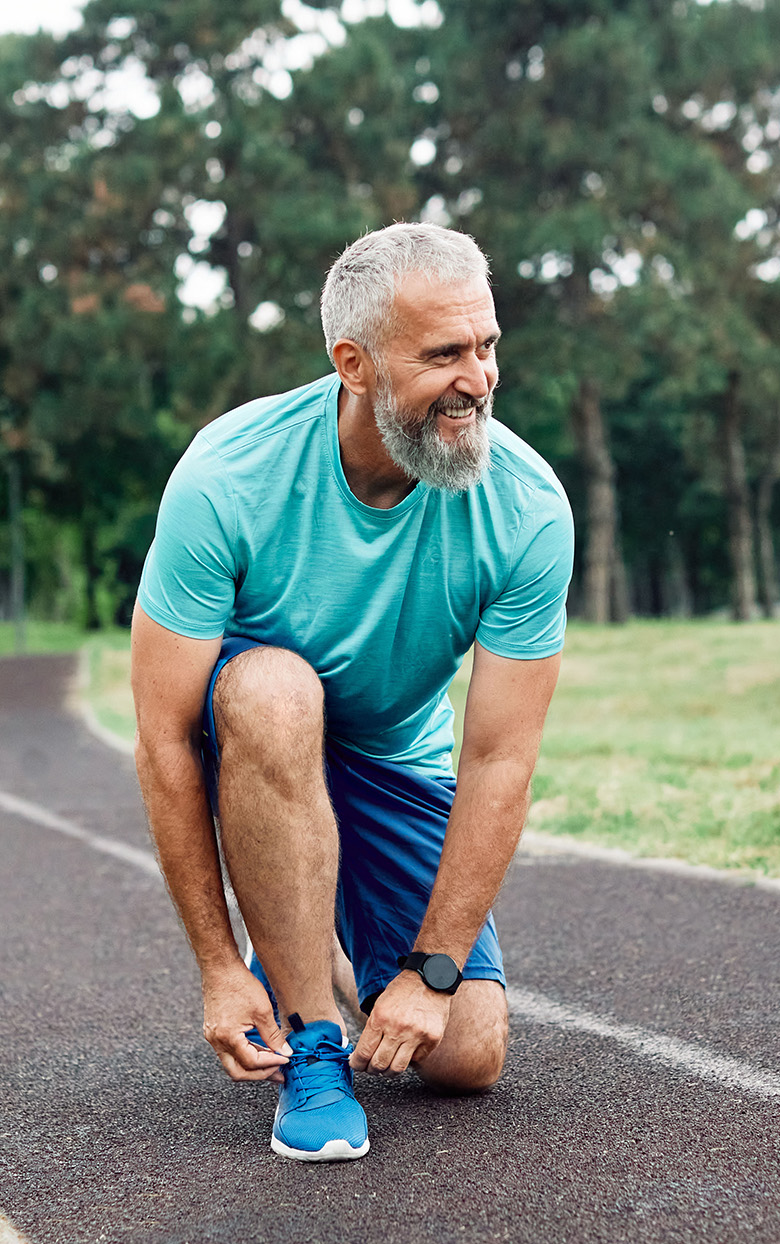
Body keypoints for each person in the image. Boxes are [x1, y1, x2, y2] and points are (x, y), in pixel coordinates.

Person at [129, 223, 573, 1162]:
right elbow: (164, 735)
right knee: (279, 692)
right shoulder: (227, 475)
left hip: (385, 754)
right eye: (445, 354)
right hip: (246, 731)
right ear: (355, 363)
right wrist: (215, 966)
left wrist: (432, 970)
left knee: (467, 1055)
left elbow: (500, 758)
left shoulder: (527, 508)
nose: (479, 378)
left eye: (487, 346)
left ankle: (311, 934)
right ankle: (313, 1045)